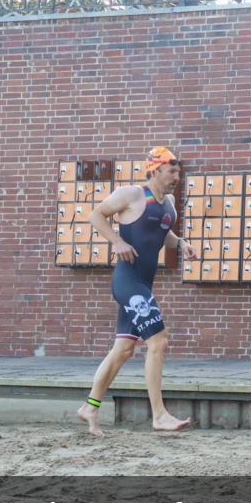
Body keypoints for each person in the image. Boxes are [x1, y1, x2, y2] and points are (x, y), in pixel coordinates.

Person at [76, 147, 198, 436]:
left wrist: (180, 243)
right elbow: (95, 215)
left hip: (144, 283)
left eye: (178, 172)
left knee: (123, 350)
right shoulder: (132, 194)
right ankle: (159, 415)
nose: (177, 177)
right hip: (128, 281)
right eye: (172, 171)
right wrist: (116, 241)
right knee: (158, 342)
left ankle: (90, 407)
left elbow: (160, 233)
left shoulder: (168, 203)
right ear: (155, 170)